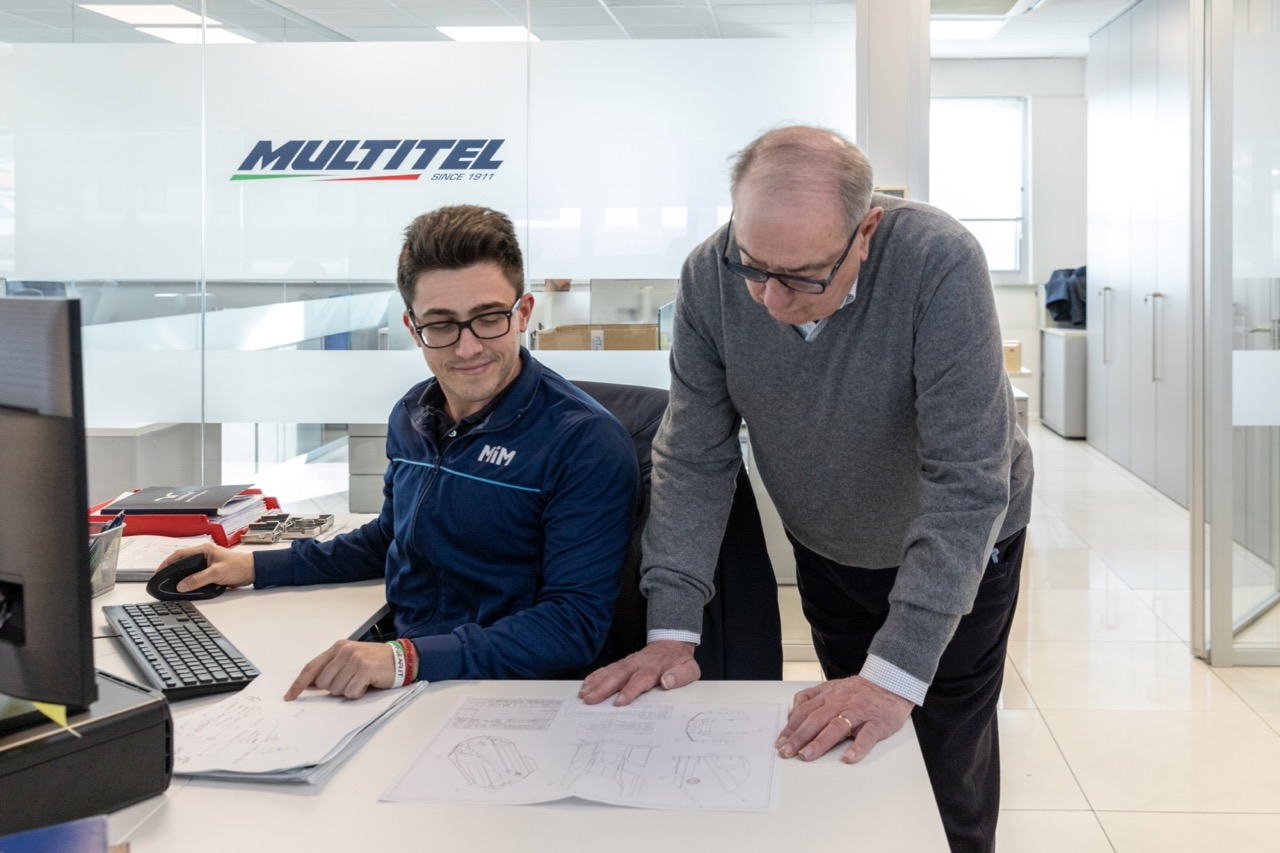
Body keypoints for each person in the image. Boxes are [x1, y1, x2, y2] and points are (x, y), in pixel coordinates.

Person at [579, 126, 1033, 853]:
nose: (769, 298)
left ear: (866, 232)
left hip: (964, 548)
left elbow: (967, 481)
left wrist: (895, 675)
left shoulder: (938, 262)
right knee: (848, 743)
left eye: (802, 277)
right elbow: (693, 458)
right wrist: (672, 630)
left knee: (943, 758)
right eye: (753, 267)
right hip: (828, 543)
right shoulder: (709, 276)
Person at [162, 204, 640, 701]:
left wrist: (404, 659)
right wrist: (252, 567)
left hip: (507, 693)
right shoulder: (414, 415)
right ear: (413, 328)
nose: (468, 348)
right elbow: (389, 539)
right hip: (409, 668)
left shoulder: (583, 441)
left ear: (522, 313)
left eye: (488, 319)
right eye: (442, 324)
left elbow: (572, 625)